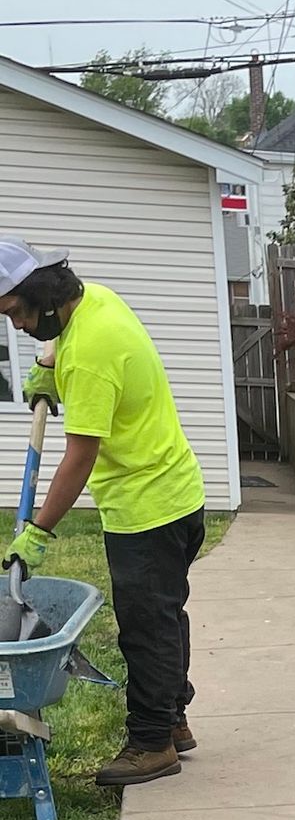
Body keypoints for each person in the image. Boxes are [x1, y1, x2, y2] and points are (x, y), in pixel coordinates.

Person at [0, 241, 204, 785]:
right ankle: (174, 718)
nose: (17, 327)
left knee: (145, 630)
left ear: (42, 299)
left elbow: (80, 456)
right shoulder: (96, 302)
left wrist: (38, 531)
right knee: (164, 617)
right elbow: (68, 345)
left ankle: (152, 743)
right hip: (177, 493)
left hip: (147, 509)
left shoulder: (90, 353)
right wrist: (49, 366)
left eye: (17, 313)